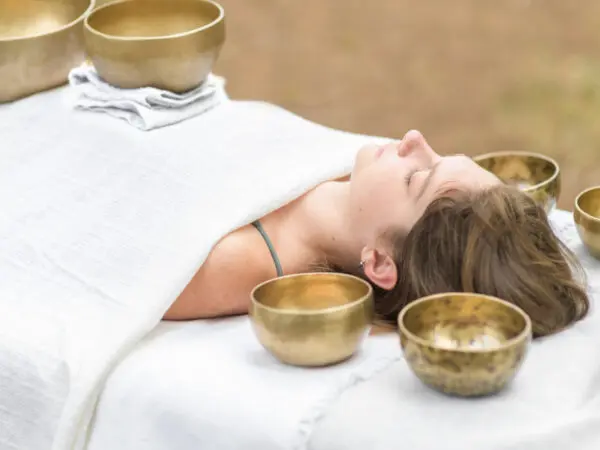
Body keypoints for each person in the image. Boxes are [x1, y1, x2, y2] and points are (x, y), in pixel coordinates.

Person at [164, 130, 589, 338]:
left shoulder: (241, 262)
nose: (414, 139)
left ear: (380, 261)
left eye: (418, 177)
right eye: (440, 155)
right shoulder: (353, 176)